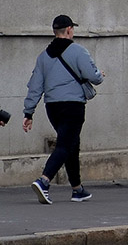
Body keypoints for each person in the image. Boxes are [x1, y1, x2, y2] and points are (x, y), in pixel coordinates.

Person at [23, 14, 104, 204]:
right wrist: (100, 74)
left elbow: (35, 86)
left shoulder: (43, 56)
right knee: (65, 145)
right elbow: (94, 77)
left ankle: (77, 189)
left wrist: (29, 112)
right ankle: (44, 181)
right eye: (72, 29)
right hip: (73, 105)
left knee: (71, 144)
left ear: (54, 31)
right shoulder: (78, 51)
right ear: (68, 30)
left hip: (52, 107)